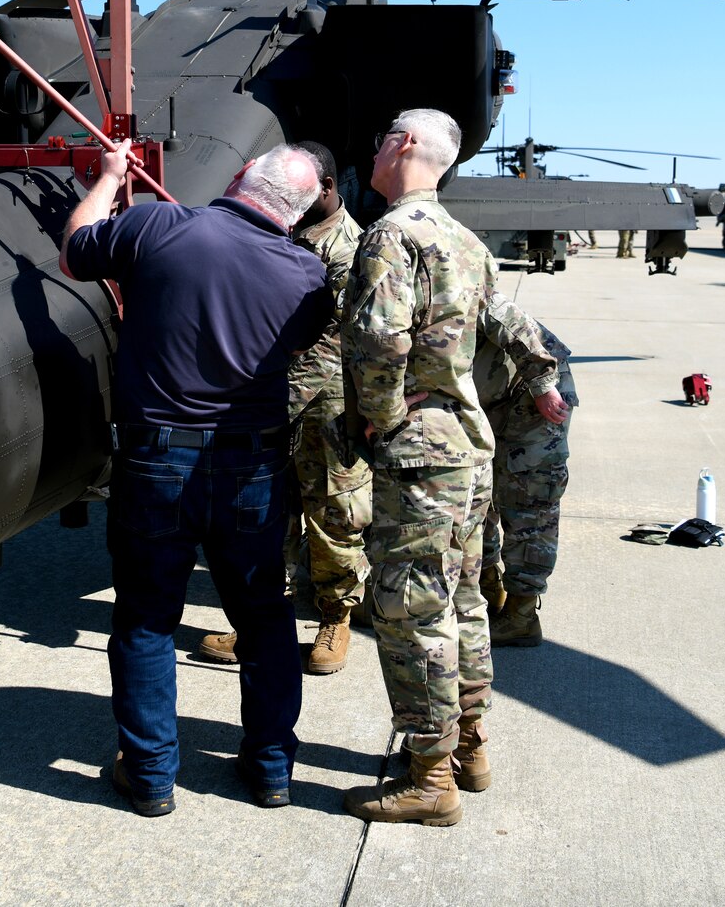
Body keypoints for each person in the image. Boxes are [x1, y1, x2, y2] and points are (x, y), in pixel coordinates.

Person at [61, 141, 330, 817]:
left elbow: (76, 250)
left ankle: (150, 775)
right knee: (264, 617)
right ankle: (271, 768)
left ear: (240, 176)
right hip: (252, 469)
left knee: (148, 617)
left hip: (157, 460)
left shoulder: (159, 226)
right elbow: (292, 344)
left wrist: (109, 179)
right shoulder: (306, 274)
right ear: (296, 213)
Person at [342, 109, 567, 826]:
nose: (375, 147)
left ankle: (430, 776)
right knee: (465, 601)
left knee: (411, 611)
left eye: (383, 135)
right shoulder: (465, 241)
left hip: (419, 454)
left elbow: (380, 341)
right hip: (468, 450)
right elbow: (499, 323)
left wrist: (376, 416)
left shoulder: (391, 234)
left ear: (404, 144)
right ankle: (470, 747)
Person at [197, 141, 368, 675]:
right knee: (269, 514)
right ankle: (259, 621)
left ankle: (335, 617)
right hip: (271, 400)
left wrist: (268, 395)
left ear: (329, 189)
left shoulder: (348, 249)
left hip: (326, 408)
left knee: (332, 514)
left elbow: (336, 340)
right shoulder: (280, 231)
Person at [476, 293, 576, 648]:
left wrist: (542, 386)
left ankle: (521, 613)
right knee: (474, 493)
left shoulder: (444, 268)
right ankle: (488, 589)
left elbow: (501, 311)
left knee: (530, 500)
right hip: (481, 399)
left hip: (534, 390)